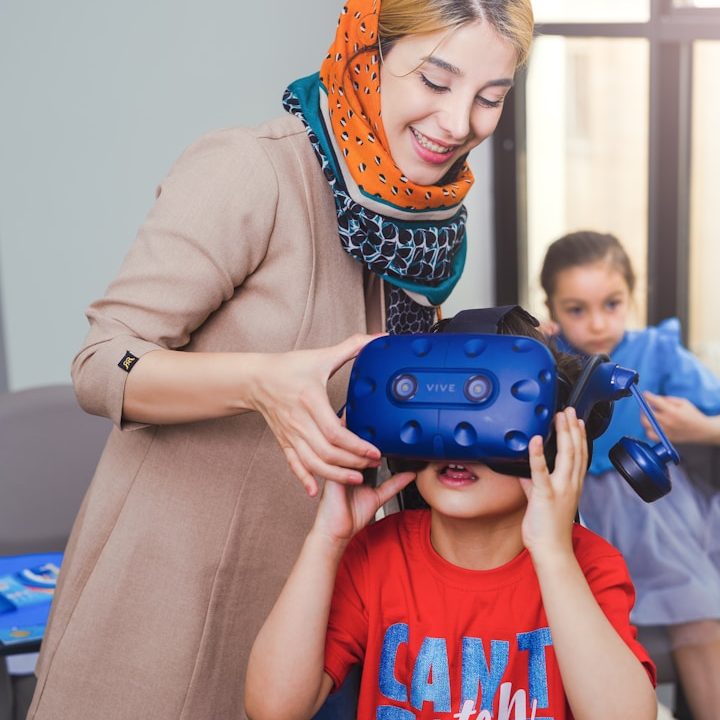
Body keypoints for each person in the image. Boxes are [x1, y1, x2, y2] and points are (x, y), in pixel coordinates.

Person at [27, 1, 534, 719]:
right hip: (175, 606)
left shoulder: (422, 226)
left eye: (489, 97)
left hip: (326, 621)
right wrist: (260, 383)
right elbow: (103, 361)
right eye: (435, 80)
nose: (458, 123)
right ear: (369, 56)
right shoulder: (254, 170)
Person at [244, 307, 658, 720]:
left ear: (553, 436)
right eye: (435, 406)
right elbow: (273, 710)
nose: (456, 436)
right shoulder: (376, 555)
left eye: (487, 404)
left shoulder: (587, 565)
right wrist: (326, 539)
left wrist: (553, 556)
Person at [539, 230, 720, 720]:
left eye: (612, 304)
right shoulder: (547, 356)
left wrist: (701, 427)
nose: (598, 323)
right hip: (576, 514)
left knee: (698, 616)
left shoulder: (659, 352)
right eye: (577, 309)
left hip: (657, 517)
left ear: (631, 296)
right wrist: (534, 340)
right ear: (551, 307)